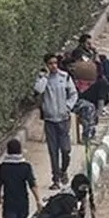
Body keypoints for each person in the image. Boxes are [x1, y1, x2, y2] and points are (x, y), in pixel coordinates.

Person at [33, 53, 78, 190]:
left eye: (55, 63)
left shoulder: (65, 77)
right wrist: (45, 76)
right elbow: (38, 90)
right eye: (50, 63)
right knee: (53, 151)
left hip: (63, 119)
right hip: (50, 120)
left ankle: (63, 170)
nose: (53, 66)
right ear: (46, 65)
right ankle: (56, 179)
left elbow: (73, 94)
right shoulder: (42, 78)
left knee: (65, 149)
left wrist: (68, 107)